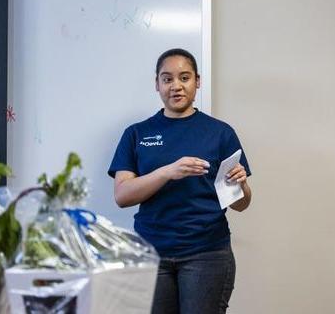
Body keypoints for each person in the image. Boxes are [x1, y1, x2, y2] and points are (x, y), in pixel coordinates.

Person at [108, 48, 252, 314]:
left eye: (184, 78)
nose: (176, 86)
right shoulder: (137, 133)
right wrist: (167, 172)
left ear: (197, 81)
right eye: (167, 79)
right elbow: (122, 196)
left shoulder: (220, 133)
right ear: (157, 84)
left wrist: (241, 185)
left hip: (207, 253)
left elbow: (241, 205)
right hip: (151, 254)